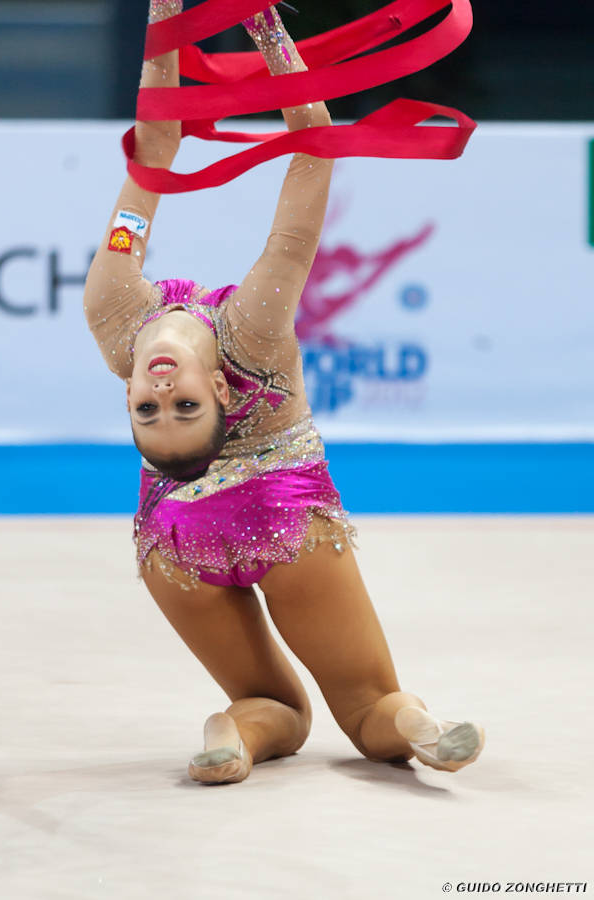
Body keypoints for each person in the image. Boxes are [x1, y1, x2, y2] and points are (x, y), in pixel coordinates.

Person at [84, 0, 485, 784]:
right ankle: (413, 723)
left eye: (149, 410)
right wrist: (261, 21)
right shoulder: (251, 332)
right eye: (183, 408)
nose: (161, 390)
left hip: (174, 545)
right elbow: (313, 149)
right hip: (284, 521)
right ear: (222, 391)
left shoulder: (114, 312)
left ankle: (234, 733)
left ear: (126, 392)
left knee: (273, 704)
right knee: (368, 706)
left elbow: (157, 145)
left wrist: (166, 16)